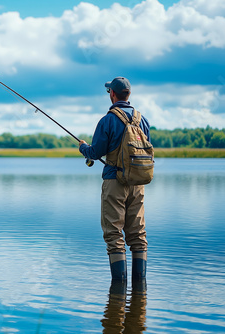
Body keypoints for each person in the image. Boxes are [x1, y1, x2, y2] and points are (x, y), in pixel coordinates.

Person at [78, 77, 150, 282]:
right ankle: (139, 288)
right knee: (138, 235)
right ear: (129, 94)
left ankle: (118, 290)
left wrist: (83, 147)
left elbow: (95, 152)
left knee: (114, 234)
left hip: (114, 182)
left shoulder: (107, 120)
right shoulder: (142, 120)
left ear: (112, 94)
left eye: (109, 91)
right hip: (138, 184)